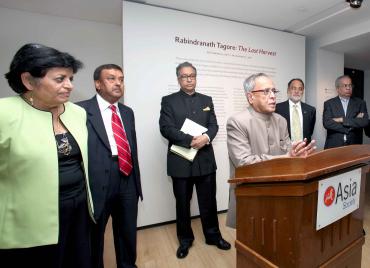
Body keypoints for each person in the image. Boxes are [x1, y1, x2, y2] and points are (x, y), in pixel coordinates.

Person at [0, 43, 94, 268]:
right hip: (29, 218)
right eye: (60, 79)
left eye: (71, 78)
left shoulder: (77, 112)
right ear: (28, 80)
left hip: (79, 208)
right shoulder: (4, 113)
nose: (69, 86)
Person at [159, 62, 231, 259]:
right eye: (184, 76)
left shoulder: (207, 99)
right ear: (178, 79)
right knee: (182, 203)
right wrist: (190, 140)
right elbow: (166, 128)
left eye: (192, 75)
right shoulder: (168, 101)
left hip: (205, 160)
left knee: (209, 201)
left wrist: (206, 138)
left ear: (196, 77)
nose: (189, 79)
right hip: (180, 161)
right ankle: (185, 240)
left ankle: (213, 236)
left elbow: (214, 125)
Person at [226, 73, 315, 227]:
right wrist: (287, 157)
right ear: (250, 97)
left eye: (274, 91)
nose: (273, 96)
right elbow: (244, 163)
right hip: (251, 195)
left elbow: (288, 151)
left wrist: (298, 155)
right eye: (266, 92)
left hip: (281, 193)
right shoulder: (237, 122)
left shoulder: (281, 121)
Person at [78, 64, 142, 268]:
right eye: (111, 78)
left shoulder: (127, 112)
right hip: (99, 179)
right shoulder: (80, 110)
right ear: (98, 84)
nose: (118, 83)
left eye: (121, 79)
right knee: (94, 236)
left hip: (127, 176)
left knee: (127, 231)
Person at [323, 75, 368, 149]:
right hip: (333, 146)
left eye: (350, 85)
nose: (348, 88)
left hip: (354, 146)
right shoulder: (329, 103)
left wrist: (342, 120)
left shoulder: (360, 103)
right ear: (337, 89)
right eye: (345, 85)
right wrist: (351, 125)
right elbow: (327, 123)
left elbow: (365, 122)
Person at [275, 78, 316, 143]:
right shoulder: (277, 109)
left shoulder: (311, 110)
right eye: (294, 88)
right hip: (284, 150)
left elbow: (310, 131)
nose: (297, 91)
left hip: (304, 149)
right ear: (288, 90)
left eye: (300, 89)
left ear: (303, 91)